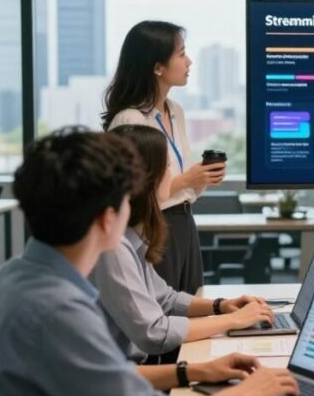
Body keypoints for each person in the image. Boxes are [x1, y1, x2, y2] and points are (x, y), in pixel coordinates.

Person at [0, 128, 299, 396]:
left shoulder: (16, 276)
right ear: (106, 218)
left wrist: (194, 372)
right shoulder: (56, 310)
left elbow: (102, 373)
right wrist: (245, 395)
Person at [92, 124, 278, 362]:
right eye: (168, 166)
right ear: (145, 178)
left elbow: (166, 299)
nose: (173, 174)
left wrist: (222, 306)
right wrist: (234, 320)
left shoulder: (131, 237)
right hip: (121, 381)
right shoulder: (114, 247)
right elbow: (155, 333)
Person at [103, 20, 223, 297]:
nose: (189, 61)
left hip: (184, 224)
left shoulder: (175, 110)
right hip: (151, 229)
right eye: (181, 54)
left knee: (191, 307)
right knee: (161, 315)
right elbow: (133, 197)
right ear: (158, 67)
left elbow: (186, 188)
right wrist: (185, 180)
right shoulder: (129, 120)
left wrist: (200, 177)